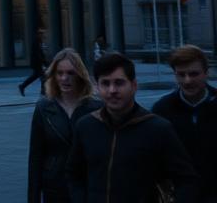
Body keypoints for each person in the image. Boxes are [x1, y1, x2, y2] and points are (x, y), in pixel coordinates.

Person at [67, 52, 198, 202]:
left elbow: (186, 180)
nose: (112, 90)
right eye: (105, 83)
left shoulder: (158, 129)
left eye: (119, 83)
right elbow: (74, 173)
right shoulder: (86, 126)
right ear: (97, 87)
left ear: (134, 85)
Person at [26, 48, 101, 203]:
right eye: (59, 73)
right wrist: (33, 198)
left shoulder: (96, 108)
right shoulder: (43, 109)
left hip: (87, 185)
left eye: (70, 73)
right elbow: (36, 157)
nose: (64, 78)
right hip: (55, 186)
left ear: (80, 75)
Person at [152, 45, 217, 201]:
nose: (187, 80)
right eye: (181, 74)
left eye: (194, 74)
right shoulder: (162, 110)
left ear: (206, 74)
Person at [20, 30, 49, 97]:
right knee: (43, 77)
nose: (43, 35)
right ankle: (43, 92)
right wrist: (43, 62)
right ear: (38, 35)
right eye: (42, 34)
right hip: (37, 63)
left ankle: (22, 86)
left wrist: (45, 62)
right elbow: (38, 54)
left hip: (38, 63)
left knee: (34, 77)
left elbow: (41, 53)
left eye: (43, 34)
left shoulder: (39, 42)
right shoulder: (36, 42)